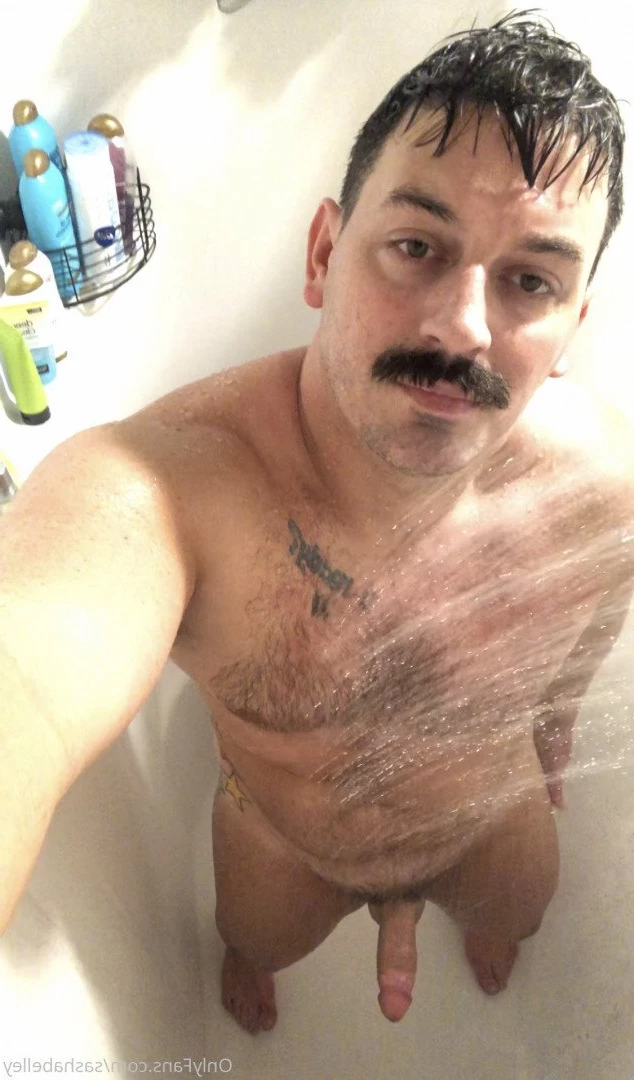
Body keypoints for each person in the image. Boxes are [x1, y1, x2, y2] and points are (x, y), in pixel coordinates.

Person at [1, 11, 632, 1036]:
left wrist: (556, 709)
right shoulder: (166, 490)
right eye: (415, 247)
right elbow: (21, 678)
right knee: (250, 940)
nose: (462, 327)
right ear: (325, 252)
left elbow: (602, 604)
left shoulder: (604, 485)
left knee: (519, 914)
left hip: (488, 826)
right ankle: (255, 956)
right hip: (285, 849)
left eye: (530, 282)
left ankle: (470, 921)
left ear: (569, 329)